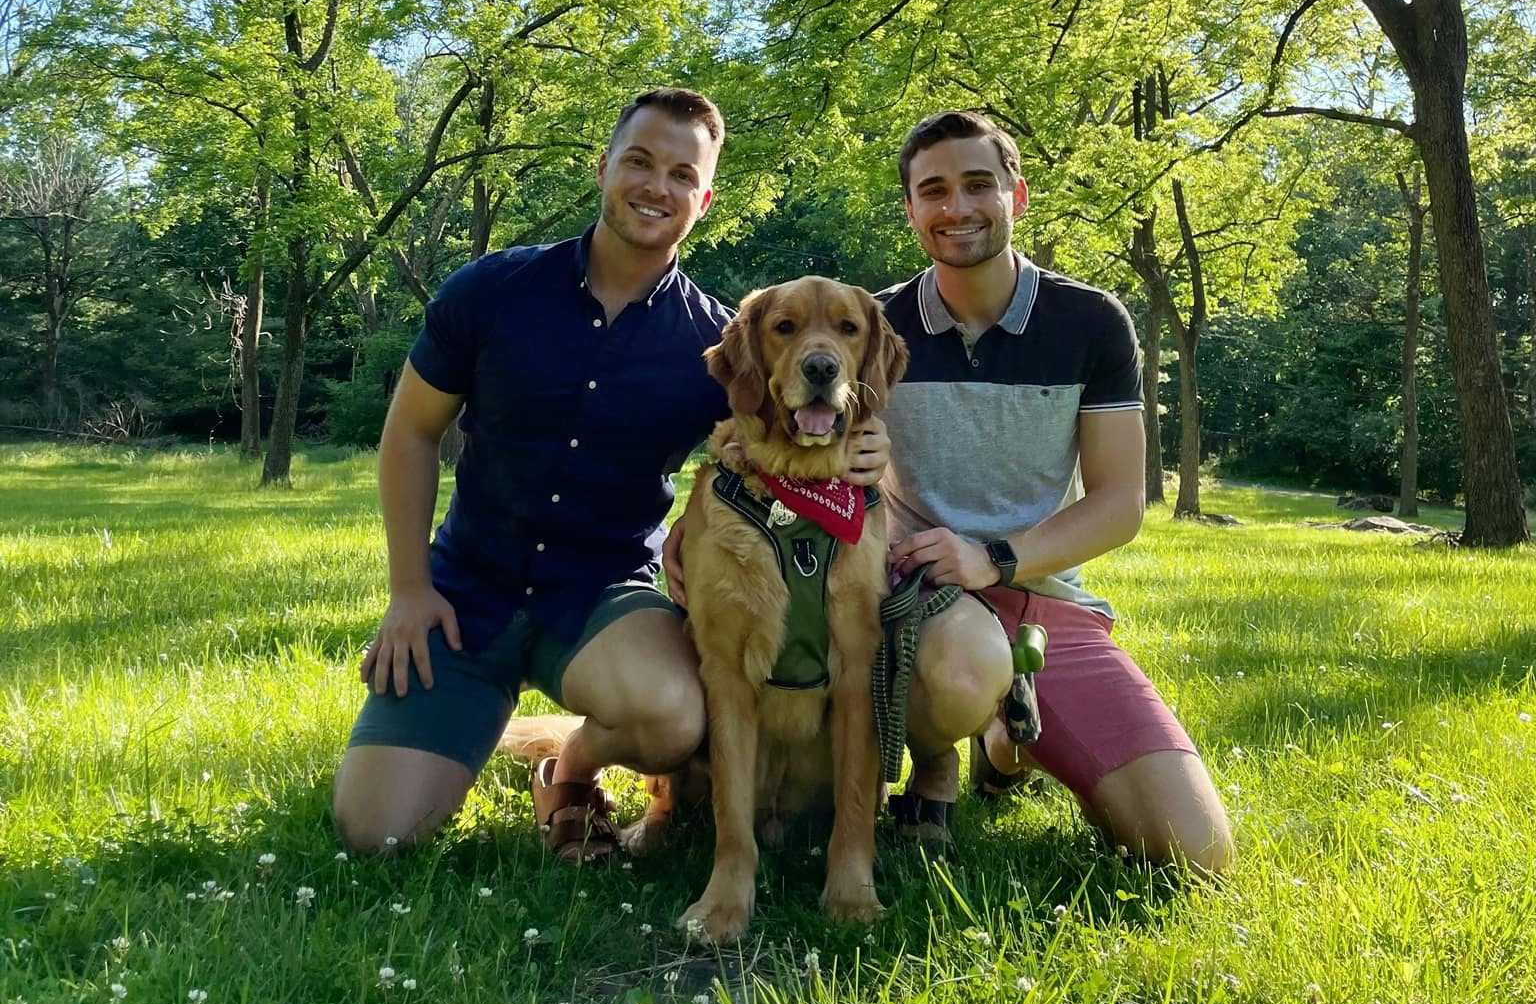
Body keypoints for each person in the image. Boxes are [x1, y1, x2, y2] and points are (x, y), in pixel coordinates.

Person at [332, 87, 890, 863]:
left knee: (673, 718)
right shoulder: (489, 291)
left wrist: (866, 452)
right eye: (638, 161)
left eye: (681, 174)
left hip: (600, 596)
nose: (656, 186)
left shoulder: (714, 340)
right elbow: (411, 433)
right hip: (465, 592)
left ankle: (569, 771)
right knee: (377, 832)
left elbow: (760, 449)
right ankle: (466, 715)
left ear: (705, 197)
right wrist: (408, 589)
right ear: (603, 168)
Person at [877, 111, 1233, 874]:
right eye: (932, 190)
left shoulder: (1091, 321)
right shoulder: (873, 325)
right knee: (964, 669)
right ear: (910, 210)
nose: (957, 207)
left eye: (979, 184)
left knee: (1194, 852)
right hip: (916, 596)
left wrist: (996, 558)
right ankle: (938, 762)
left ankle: (1006, 738)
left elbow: (1118, 504)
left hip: (1040, 595)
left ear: (1018, 194)